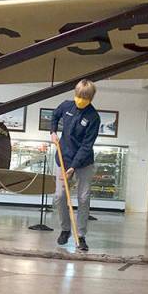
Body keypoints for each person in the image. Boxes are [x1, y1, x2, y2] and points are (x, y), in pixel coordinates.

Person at [50, 79, 100, 251]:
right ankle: (65, 230)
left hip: (83, 162)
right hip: (63, 158)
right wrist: (53, 132)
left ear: (91, 98)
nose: (81, 99)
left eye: (85, 97)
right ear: (75, 93)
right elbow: (54, 116)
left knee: (84, 198)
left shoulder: (93, 117)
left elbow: (87, 145)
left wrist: (73, 167)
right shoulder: (66, 106)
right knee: (60, 196)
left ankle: (81, 235)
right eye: (79, 96)